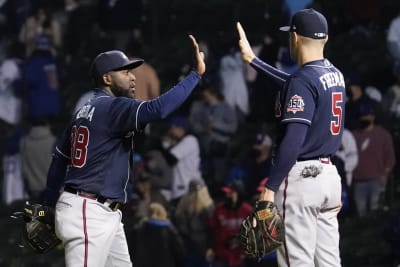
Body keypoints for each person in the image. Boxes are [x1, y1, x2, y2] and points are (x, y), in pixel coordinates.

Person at [43, 35, 205, 267]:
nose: (132, 77)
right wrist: (195, 75)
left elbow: (60, 159)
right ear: (107, 78)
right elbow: (158, 109)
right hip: (89, 211)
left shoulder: (84, 110)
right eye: (125, 72)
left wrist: (49, 202)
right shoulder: (113, 107)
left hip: (100, 211)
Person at [237, 8, 345, 266]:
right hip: (330, 178)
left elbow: (293, 139)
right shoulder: (334, 74)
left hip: (303, 182)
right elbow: (297, 84)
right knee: (329, 262)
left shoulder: (303, 81)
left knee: (297, 262)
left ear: (294, 38)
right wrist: (253, 60)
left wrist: (270, 187)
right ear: (325, 39)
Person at [351, 104, 396, 217]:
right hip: (357, 181)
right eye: (362, 116)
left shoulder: (383, 134)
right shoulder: (354, 135)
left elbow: (390, 157)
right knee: (360, 214)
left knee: (375, 212)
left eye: (367, 115)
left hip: (376, 180)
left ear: (373, 117)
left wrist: (385, 174)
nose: (365, 118)